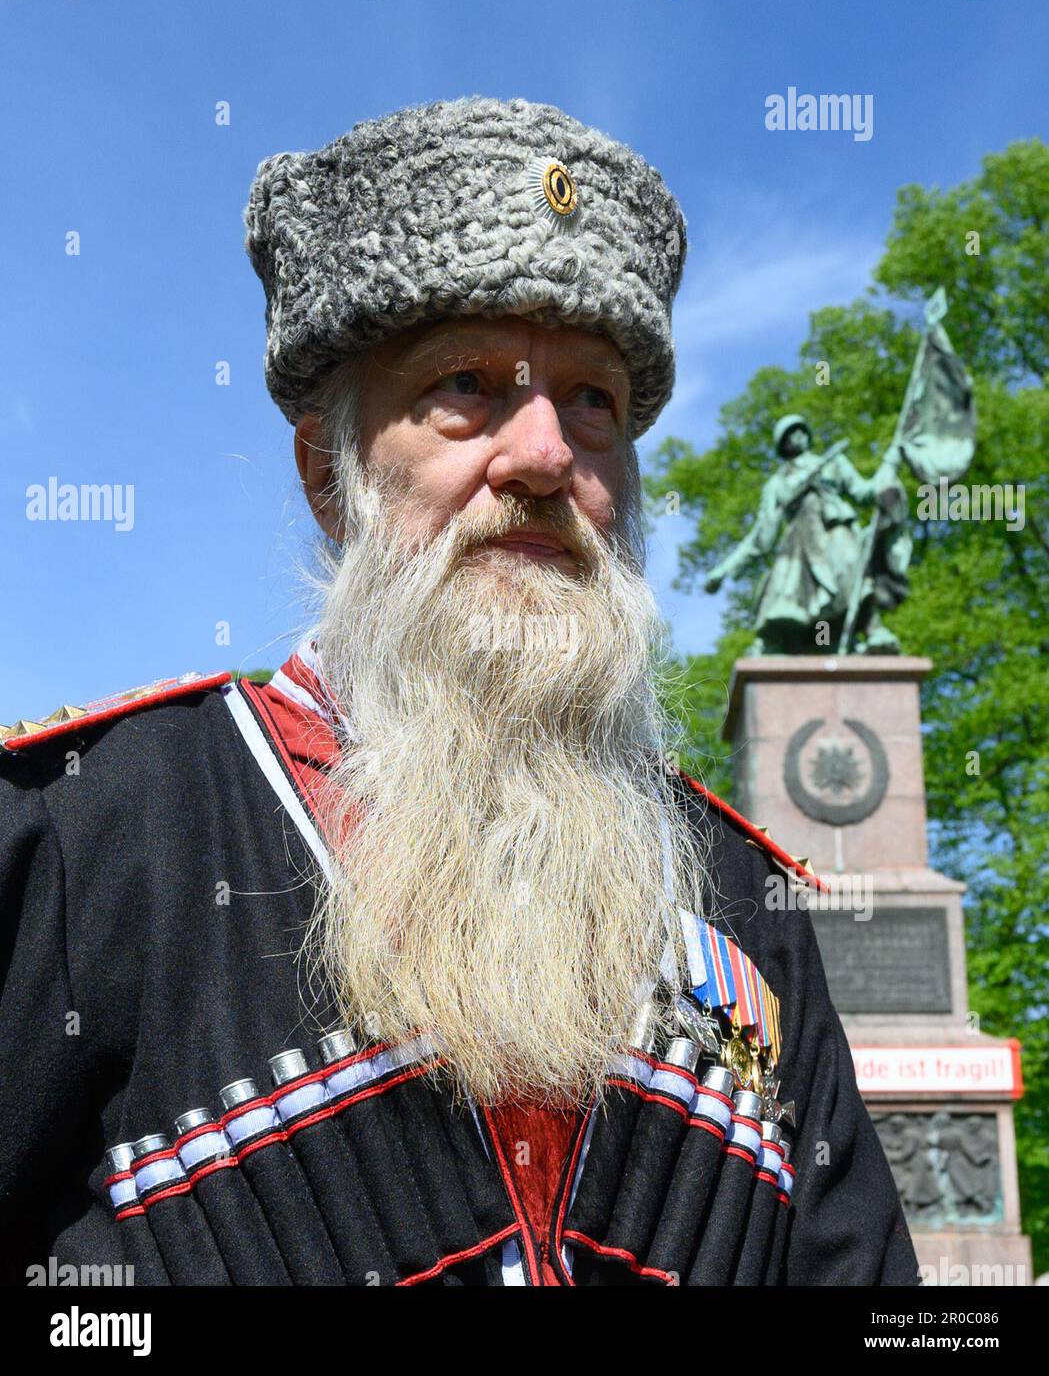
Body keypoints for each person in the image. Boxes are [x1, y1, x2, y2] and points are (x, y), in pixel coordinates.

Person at [0, 96, 917, 1287]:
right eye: (466, 386)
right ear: (332, 476)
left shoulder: (740, 891)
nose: (545, 455)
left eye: (592, 400)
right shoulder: (95, 826)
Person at [705, 414, 908, 654]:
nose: (796, 436)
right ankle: (775, 643)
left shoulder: (834, 463)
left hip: (836, 528)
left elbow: (863, 492)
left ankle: (874, 629)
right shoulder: (777, 483)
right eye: (789, 434)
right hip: (799, 541)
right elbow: (761, 536)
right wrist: (724, 570)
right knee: (782, 588)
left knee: (853, 571)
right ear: (783, 445)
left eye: (800, 430)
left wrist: (889, 464)